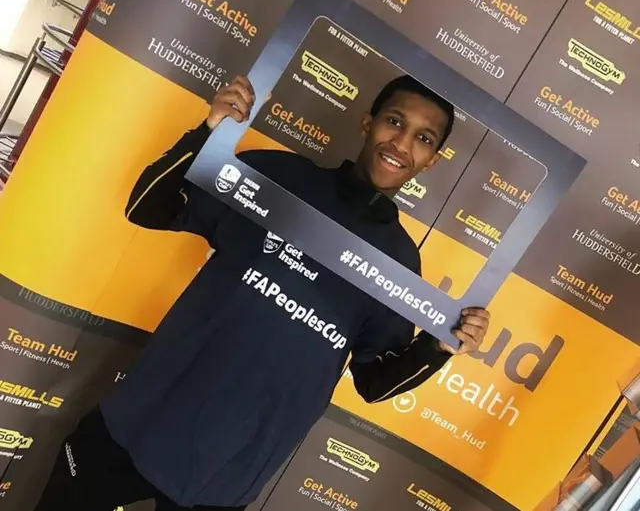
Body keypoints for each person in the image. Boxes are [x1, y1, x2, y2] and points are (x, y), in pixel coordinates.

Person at [35, 75, 491, 511]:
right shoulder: (275, 176)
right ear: (368, 122)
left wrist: (439, 347)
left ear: (432, 160)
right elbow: (147, 208)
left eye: (424, 138)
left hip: (228, 474)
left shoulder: (400, 261)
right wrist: (207, 131)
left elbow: (373, 382)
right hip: (140, 421)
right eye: (395, 121)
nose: (402, 144)